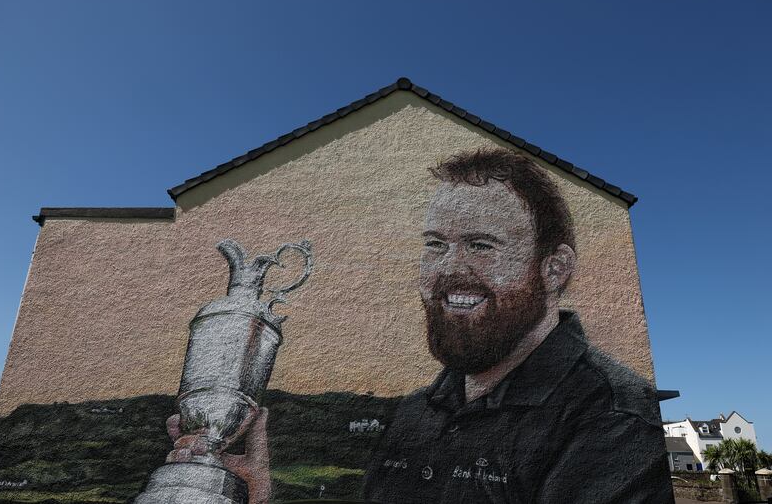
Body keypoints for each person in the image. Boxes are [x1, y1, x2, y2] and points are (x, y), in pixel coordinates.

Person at [167, 148, 674, 504]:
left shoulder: (614, 422)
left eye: (481, 245)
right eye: (436, 244)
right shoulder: (418, 414)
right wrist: (260, 496)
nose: (450, 268)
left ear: (554, 268)